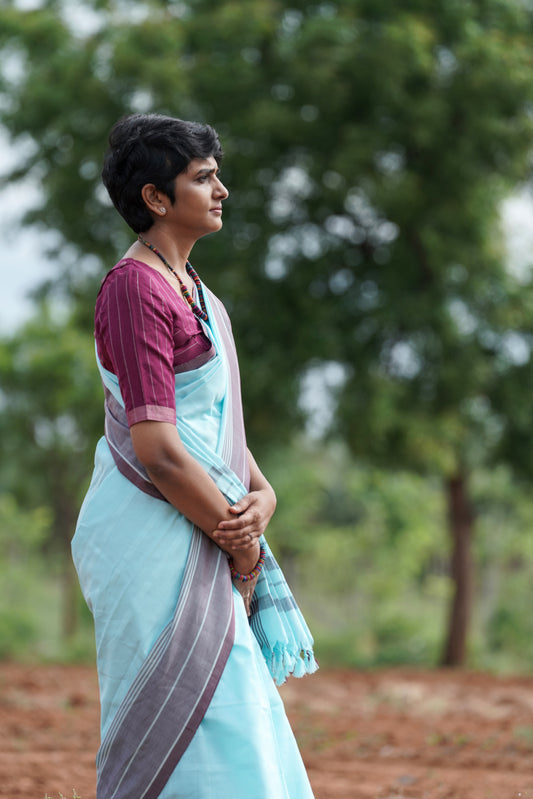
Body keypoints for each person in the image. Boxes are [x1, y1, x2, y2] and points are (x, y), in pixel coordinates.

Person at [72, 113, 318, 799]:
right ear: (156, 198)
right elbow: (158, 450)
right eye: (203, 178)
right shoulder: (134, 288)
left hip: (199, 521)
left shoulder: (196, 292)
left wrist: (262, 497)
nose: (222, 191)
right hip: (152, 531)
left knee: (235, 713)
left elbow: (215, 431)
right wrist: (240, 543)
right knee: (188, 714)